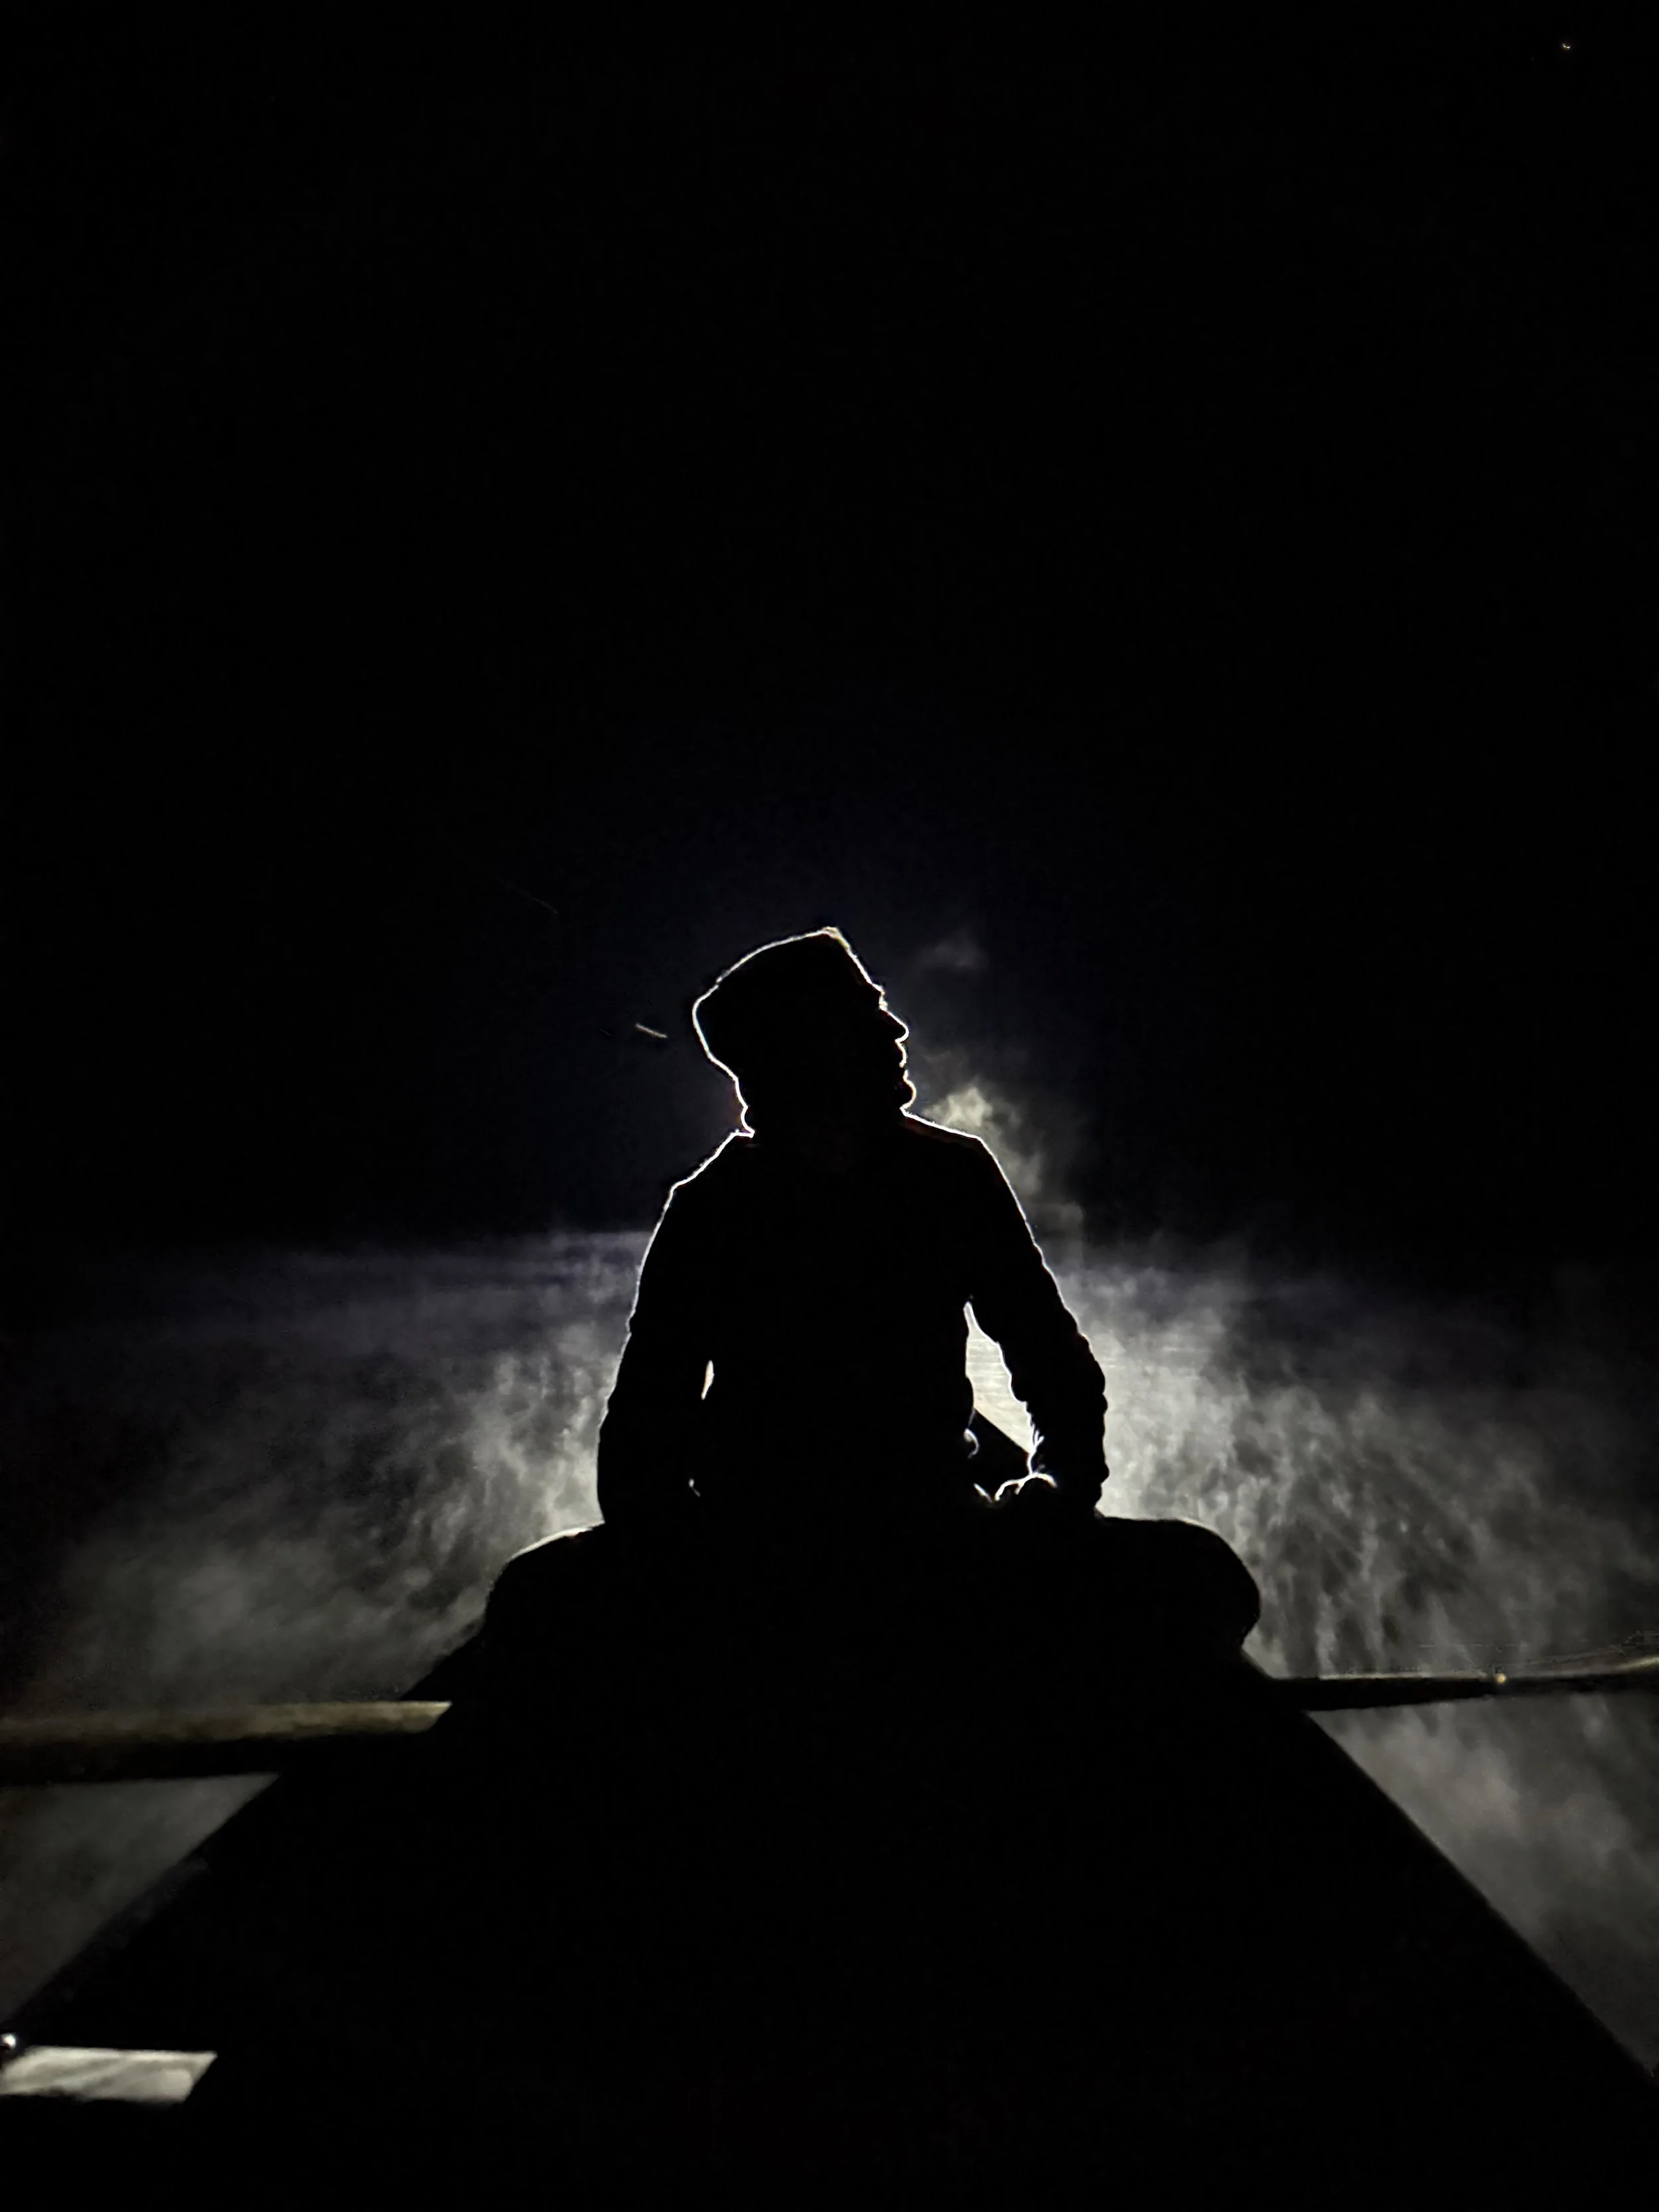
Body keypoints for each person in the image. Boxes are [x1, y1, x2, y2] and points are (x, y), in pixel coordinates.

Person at [595, 925, 1110, 1554]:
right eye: (867, 1013)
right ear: (803, 1049)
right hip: (784, 1543)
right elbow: (646, 1430)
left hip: (894, 1526)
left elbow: (1056, 1369)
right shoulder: (715, 1207)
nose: (897, 1033)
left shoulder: (953, 1174)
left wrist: (1056, 1487)